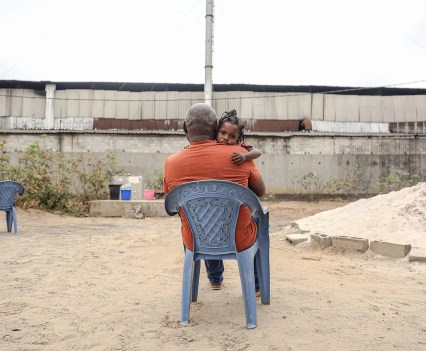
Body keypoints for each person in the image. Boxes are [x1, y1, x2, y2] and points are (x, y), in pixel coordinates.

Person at [163, 103, 265, 291]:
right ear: (215, 128)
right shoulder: (241, 155)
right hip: (239, 239)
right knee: (257, 218)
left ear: (185, 128)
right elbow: (260, 192)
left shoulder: (171, 163)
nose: (227, 138)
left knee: (200, 222)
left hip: (196, 239)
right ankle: (257, 286)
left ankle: (214, 280)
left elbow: (171, 208)